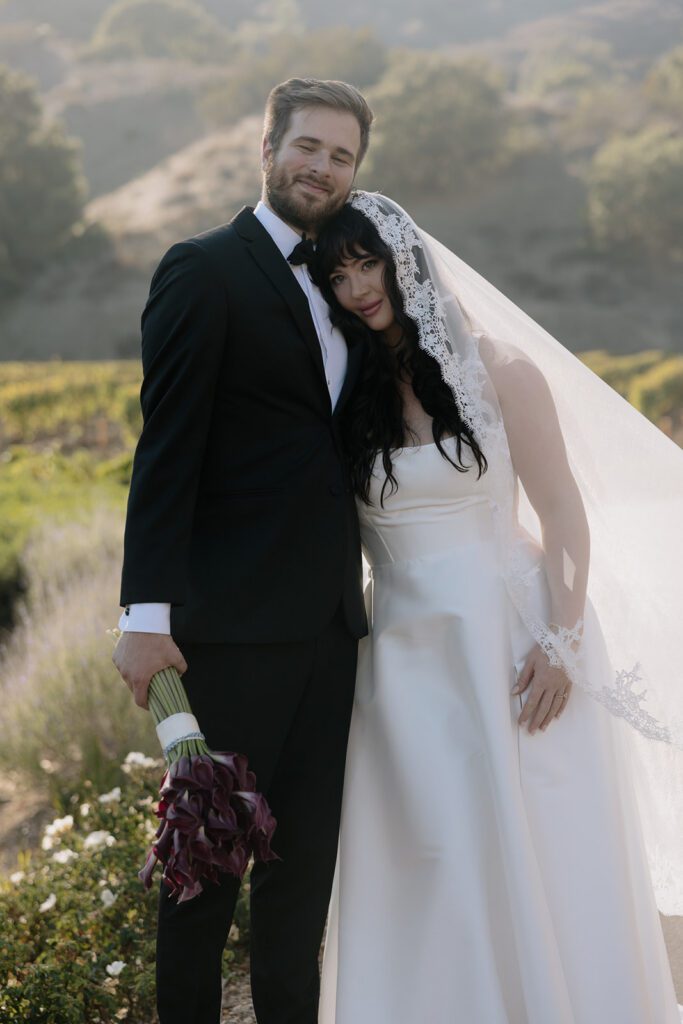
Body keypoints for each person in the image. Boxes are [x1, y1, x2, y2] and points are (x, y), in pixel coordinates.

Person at [312, 193, 683, 1023]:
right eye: (337, 275)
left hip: (515, 643)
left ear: (402, 260)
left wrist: (560, 640)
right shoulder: (345, 395)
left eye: (367, 262)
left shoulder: (500, 370)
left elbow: (563, 517)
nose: (357, 287)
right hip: (403, 662)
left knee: (547, 854)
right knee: (430, 861)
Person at [112, 79, 373, 1024]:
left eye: (342, 156)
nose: (322, 167)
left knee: (299, 891)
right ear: (266, 149)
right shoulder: (203, 268)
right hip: (225, 637)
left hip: (330, 636)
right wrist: (143, 618)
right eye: (308, 147)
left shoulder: (349, 282)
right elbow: (165, 449)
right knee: (202, 884)